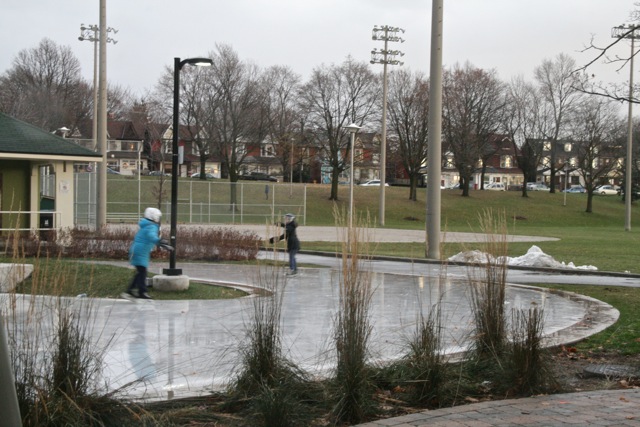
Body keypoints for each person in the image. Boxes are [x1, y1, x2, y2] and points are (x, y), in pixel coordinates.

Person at [122, 207, 172, 300]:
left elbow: (150, 237)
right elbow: (151, 236)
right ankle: (141, 292)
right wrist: (160, 241)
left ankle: (131, 291)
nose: (159, 219)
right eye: (158, 217)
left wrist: (160, 243)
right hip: (140, 251)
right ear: (154, 217)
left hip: (138, 251)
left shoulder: (147, 225)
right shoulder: (151, 226)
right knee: (142, 272)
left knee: (140, 272)